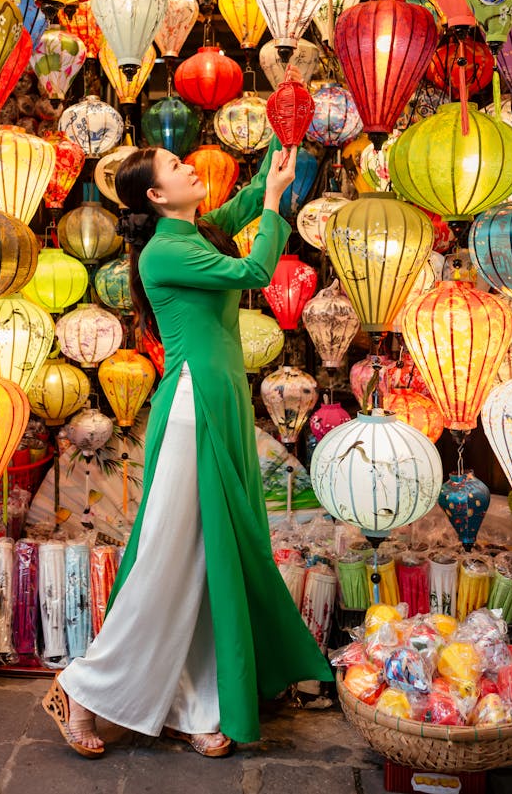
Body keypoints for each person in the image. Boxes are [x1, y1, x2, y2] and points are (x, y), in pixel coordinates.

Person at [42, 136, 333, 758]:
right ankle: (83, 688)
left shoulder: (194, 231)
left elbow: (237, 212)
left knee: (212, 556)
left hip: (222, 400)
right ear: (155, 195)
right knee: (169, 558)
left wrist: (269, 176)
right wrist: (277, 200)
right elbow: (256, 272)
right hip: (193, 405)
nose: (191, 168)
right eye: (177, 167)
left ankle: (197, 702)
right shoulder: (165, 254)